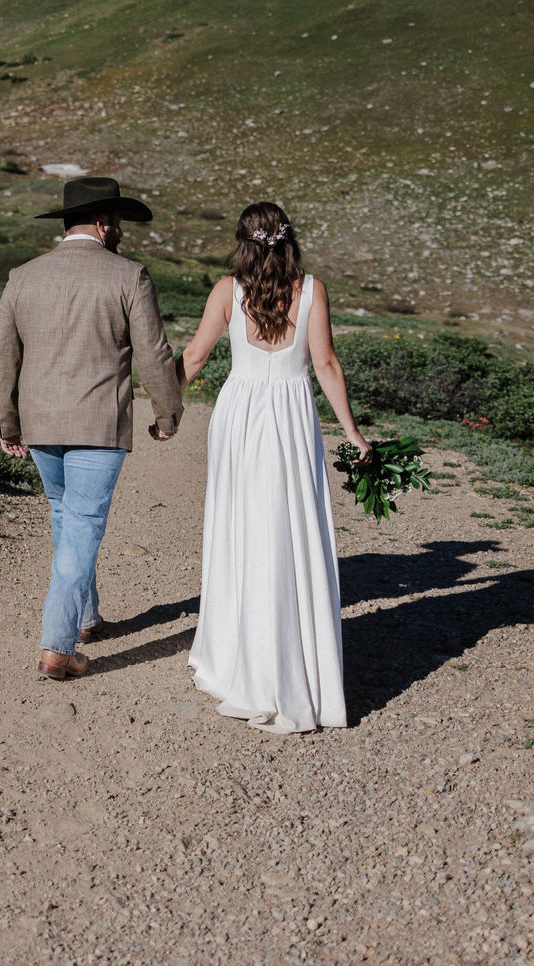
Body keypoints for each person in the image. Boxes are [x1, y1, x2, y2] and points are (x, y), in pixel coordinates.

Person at [177, 202, 369, 732]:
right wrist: (352, 432)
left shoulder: (226, 290)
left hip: (240, 415)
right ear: (289, 240)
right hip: (289, 415)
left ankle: (239, 659)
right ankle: (293, 667)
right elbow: (326, 363)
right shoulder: (312, 289)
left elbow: (193, 358)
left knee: (241, 530)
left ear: (243, 242)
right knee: (289, 531)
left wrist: (164, 408)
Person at [0, 176, 184, 681]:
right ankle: (57, 647)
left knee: (66, 516)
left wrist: (8, 423)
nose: (121, 230)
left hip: (39, 424)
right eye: (118, 222)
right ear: (102, 223)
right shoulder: (128, 276)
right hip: (97, 424)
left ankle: (86, 618)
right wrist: (167, 414)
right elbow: (154, 353)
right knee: (81, 524)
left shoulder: (22, 276)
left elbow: (3, 358)